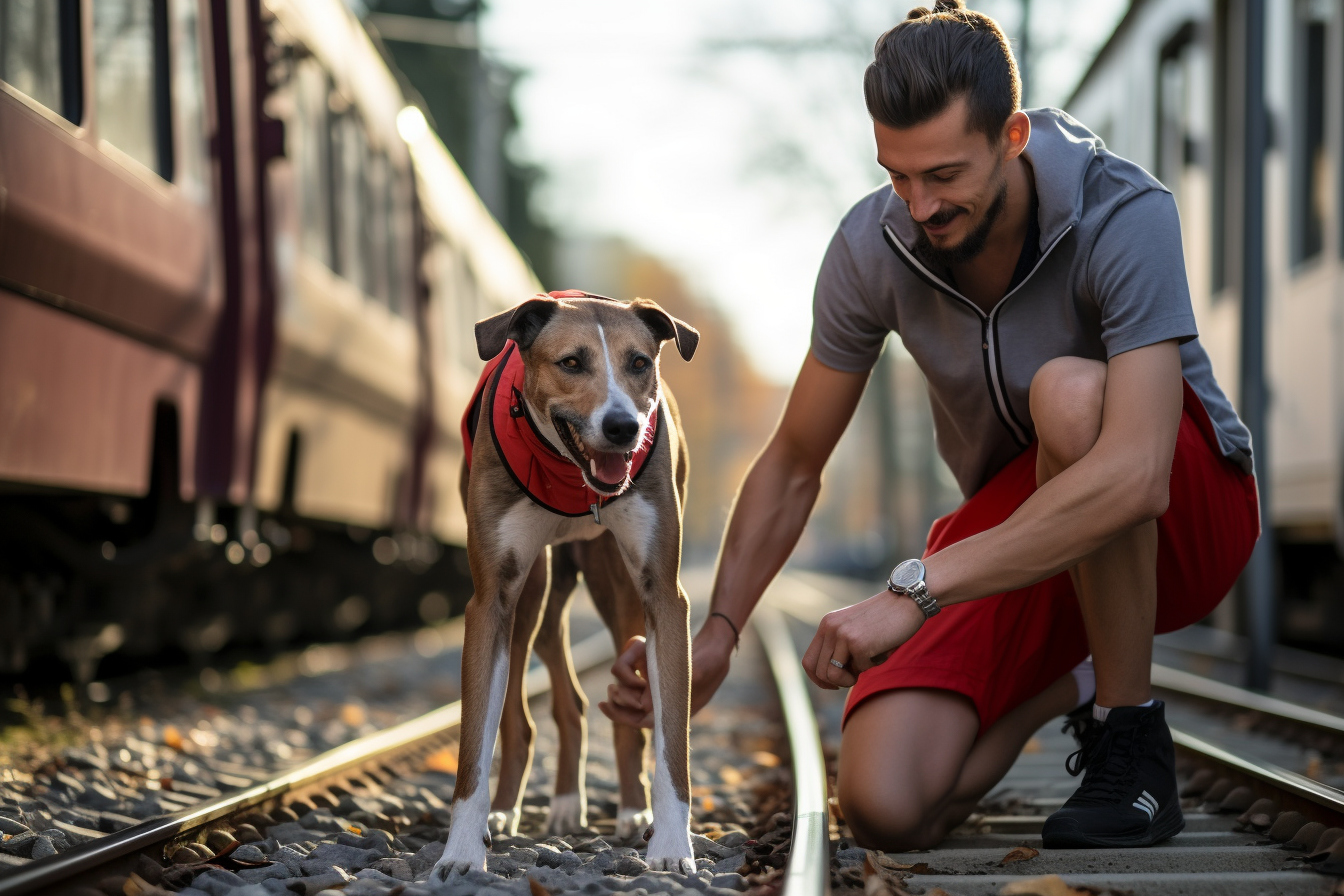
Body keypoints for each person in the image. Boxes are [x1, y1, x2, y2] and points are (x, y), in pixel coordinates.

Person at [600, 0, 1258, 851]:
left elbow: (1136, 472)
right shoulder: (871, 248)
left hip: (1182, 517)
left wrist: (916, 590)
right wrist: (719, 631)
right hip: (1024, 535)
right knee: (885, 804)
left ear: (1013, 136)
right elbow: (796, 460)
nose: (919, 204)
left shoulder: (1121, 211)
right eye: (897, 174)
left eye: (944, 174)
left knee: (1068, 392)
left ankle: (1129, 738)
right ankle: (1070, 673)